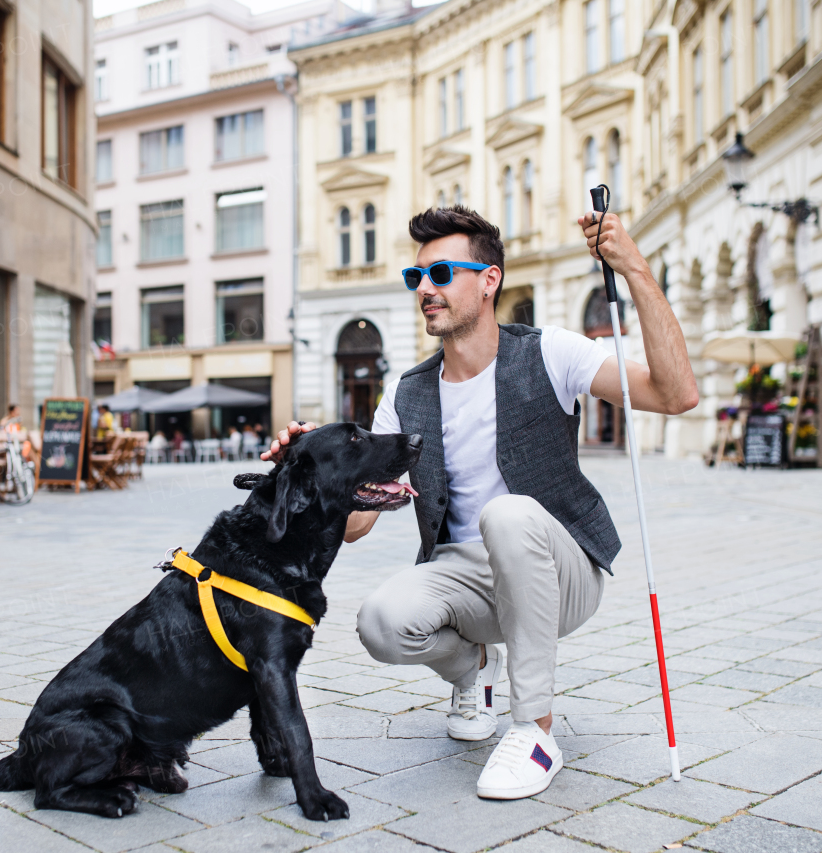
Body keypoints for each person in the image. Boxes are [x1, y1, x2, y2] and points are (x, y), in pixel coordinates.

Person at [264, 206, 697, 800]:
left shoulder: (550, 352)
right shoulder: (407, 394)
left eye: (441, 273)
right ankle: (474, 669)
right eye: (416, 277)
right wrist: (314, 465)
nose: (426, 289)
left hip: (559, 565)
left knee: (508, 514)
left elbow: (676, 395)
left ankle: (535, 730)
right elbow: (357, 525)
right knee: (381, 623)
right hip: (462, 574)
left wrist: (635, 271)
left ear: (488, 280)